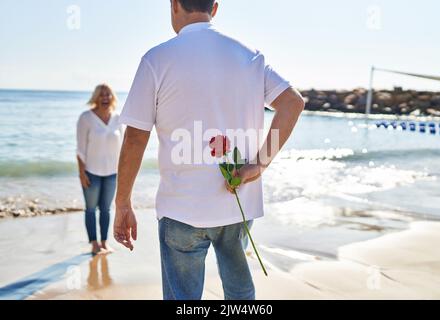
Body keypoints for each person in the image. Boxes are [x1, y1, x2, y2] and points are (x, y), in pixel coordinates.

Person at [114, 0, 304, 300]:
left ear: (174, 4)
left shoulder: (156, 59)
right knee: (240, 293)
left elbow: (136, 137)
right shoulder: (249, 55)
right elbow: (293, 102)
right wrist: (260, 163)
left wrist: (122, 203)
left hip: (181, 207)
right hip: (237, 201)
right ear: (214, 8)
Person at [77, 84, 124, 255]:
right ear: (96, 97)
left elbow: (123, 148)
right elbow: (80, 149)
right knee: (90, 209)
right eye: (101, 94)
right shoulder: (86, 118)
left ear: (112, 98)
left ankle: (104, 243)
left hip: (112, 173)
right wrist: (81, 173)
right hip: (91, 173)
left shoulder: (118, 118)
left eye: (108, 94)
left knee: (106, 209)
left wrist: (123, 173)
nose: (105, 97)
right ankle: (94, 244)